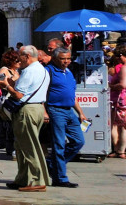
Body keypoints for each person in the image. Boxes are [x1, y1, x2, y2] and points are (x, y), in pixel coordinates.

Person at [1, 45, 49, 192]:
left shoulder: (29, 71)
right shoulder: (42, 70)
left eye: (19, 56)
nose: (18, 60)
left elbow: (19, 95)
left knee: (28, 146)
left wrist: (6, 85)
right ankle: (23, 179)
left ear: (27, 56)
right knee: (21, 146)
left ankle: (37, 180)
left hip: (27, 110)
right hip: (37, 108)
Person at [44, 48, 85, 188]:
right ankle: (60, 178)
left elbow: (72, 95)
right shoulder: (48, 71)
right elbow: (42, 92)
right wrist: (44, 111)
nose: (66, 61)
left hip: (69, 111)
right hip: (55, 110)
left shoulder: (68, 72)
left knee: (78, 141)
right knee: (59, 144)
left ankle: (52, 163)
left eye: (68, 58)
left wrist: (80, 112)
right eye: (63, 59)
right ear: (55, 59)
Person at [110, 47, 126, 158]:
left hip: (121, 99)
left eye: (118, 56)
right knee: (121, 126)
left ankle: (119, 150)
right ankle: (120, 150)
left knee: (120, 126)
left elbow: (123, 85)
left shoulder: (124, 68)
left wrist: (111, 86)